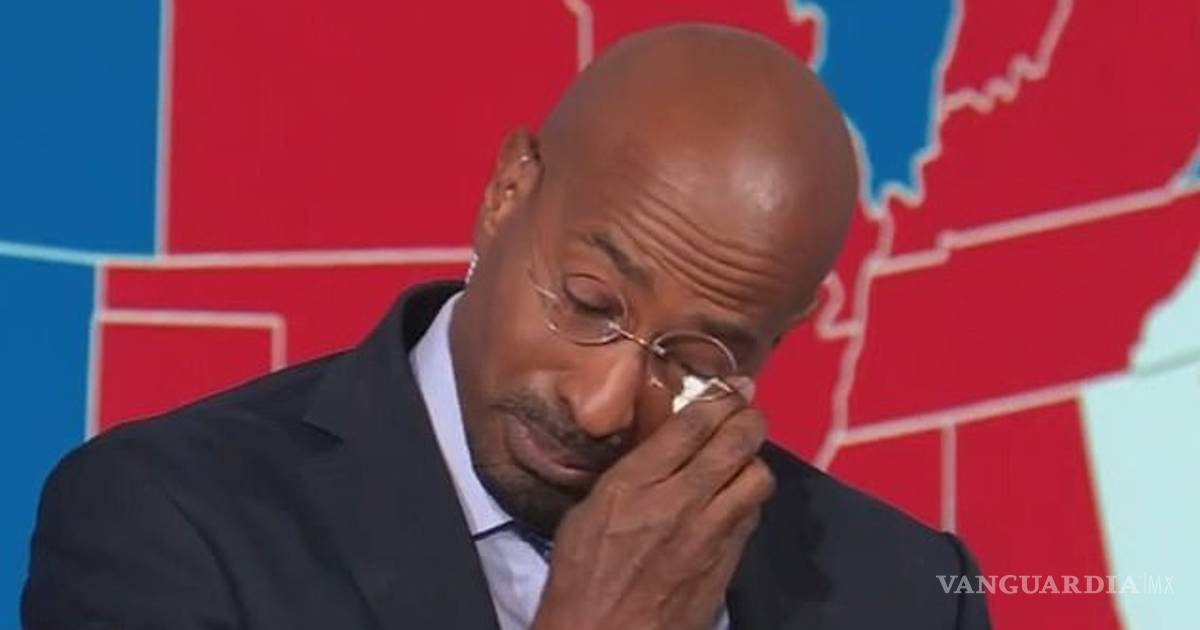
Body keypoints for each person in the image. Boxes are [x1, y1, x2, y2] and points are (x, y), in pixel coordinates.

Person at [22, 23, 991, 630]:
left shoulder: (902, 594)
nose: (601, 405)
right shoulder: (170, 526)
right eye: (589, 303)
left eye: (694, 359)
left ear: (777, 339)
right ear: (508, 192)